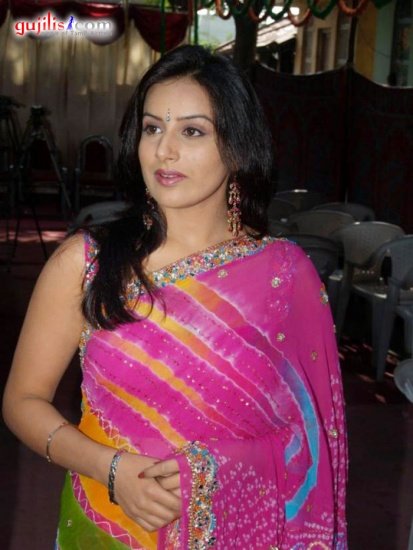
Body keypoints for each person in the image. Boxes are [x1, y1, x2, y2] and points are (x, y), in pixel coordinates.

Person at [2, 45, 347, 549]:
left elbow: (312, 439)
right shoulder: (87, 262)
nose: (164, 150)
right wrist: (110, 468)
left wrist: (216, 473)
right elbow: (22, 401)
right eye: (152, 128)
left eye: (192, 131)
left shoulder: (284, 274)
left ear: (237, 146)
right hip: (104, 523)